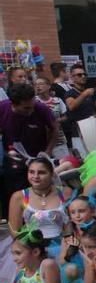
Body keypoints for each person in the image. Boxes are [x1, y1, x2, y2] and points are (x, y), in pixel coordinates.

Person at [0, 83, 59, 217]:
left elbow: (55, 129)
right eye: (26, 108)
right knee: (14, 193)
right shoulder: (3, 108)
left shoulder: (41, 109)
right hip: (14, 159)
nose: (30, 110)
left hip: (38, 157)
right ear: (13, 104)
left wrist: (48, 152)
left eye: (32, 106)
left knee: (40, 190)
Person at [7, 157, 67, 259]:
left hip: (62, 246)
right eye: (31, 172)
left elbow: (73, 224)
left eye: (41, 172)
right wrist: (33, 251)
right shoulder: (19, 196)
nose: (35, 176)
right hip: (32, 249)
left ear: (52, 174)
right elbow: (15, 232)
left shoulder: (65, 193)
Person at [63, 63, 96, 134]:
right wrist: (85, 94)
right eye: (79, 75)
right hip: (77, 133)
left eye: (84, 74)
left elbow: (90, 109)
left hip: (91, 130)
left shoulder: (87, 92)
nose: (83, 76)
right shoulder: (70, 93)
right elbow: (71, 106)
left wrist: (95, 116)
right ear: (72, 77)